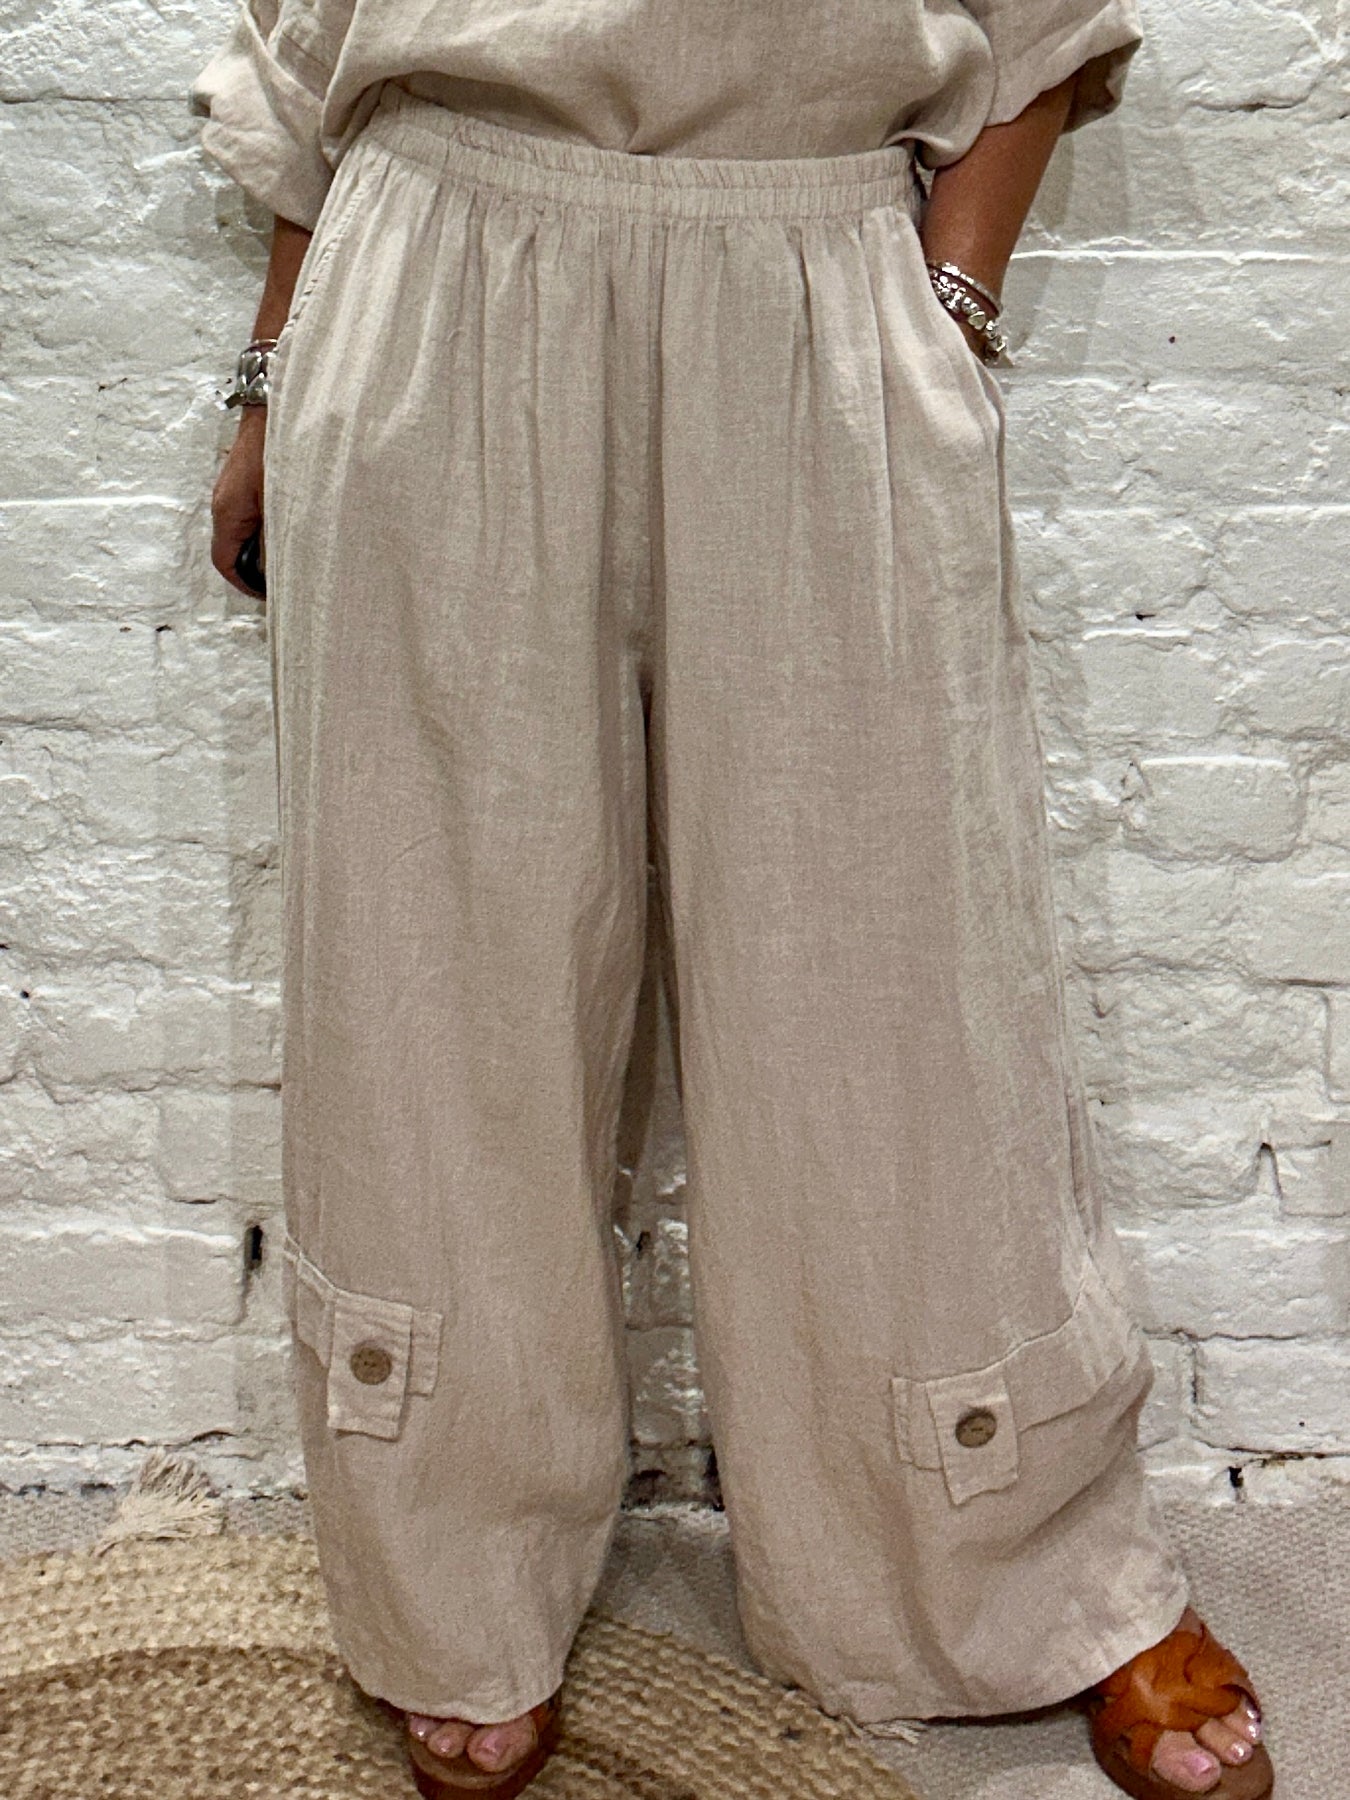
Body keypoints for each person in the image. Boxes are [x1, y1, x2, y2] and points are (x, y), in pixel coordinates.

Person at [191, 6, 1274, 1798]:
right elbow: (315, 66)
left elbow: (1033, 32)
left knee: (898, 981)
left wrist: (950, 306)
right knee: (435, 984)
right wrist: (265, 382)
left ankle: (1012, 1561)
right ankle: (455, 1582)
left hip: (816, 285)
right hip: (431, 283)